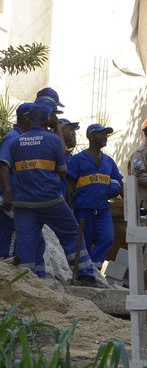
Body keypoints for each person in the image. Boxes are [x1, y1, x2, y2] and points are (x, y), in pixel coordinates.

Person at [0, 102, 97, 283]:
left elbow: (8, 167)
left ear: (29, 119)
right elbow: (63, 171)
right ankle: (85, 274)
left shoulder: (16, 141)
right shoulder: (53, 140)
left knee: (26, 242)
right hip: (50, 200)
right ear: (46, 121)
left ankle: (27, 281)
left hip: (23, 203)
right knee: (71, 232)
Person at [66, 123, 123, 269]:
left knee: (107, 239)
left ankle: (92, 268)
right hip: (83, 210)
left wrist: (133, 206)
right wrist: (69, 207)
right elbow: (69, 185)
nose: (105, 137)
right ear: (91, 136)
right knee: (83, 243)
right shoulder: (78, 159)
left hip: (103, 210)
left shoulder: (108, 161)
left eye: (106, 134)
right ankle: (84, 272)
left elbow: (121, 184)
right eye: (102, 134)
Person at [0, 105, 35, 259]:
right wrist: (7, 194)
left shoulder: (24, 138)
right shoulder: (13, 137)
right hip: (10, 198)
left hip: (19, 197)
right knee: (8, 236)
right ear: (26, 118)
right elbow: (3, 164)